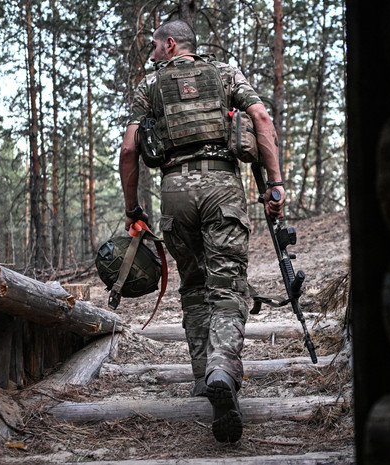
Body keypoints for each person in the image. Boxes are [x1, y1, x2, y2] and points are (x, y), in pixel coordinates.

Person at [118, 20, 285, 443]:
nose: (151, 53)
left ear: (171, 44)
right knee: (227, 288)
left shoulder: (149, 87)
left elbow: (128, 149)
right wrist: (276, 183)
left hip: (175, 192)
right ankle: (222, 370)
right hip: (222, 188)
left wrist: (133, 209)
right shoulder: (227, 74)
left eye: (154, 46)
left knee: (194, 286)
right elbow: (261, 118)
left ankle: (202, 378)